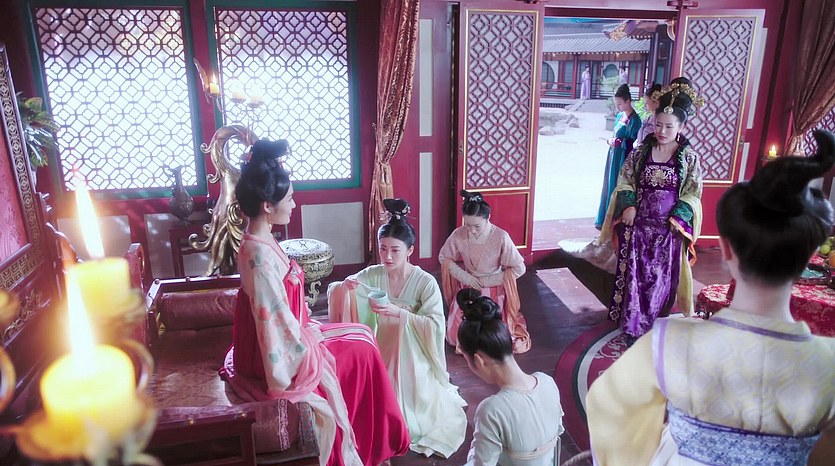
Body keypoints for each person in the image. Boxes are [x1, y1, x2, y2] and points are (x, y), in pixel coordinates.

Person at [586, 129, 835, 466]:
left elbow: (607, 408)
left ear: (726, 248)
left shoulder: (668, 345)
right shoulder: (829, 365)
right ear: (810, 259)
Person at [219, 140, 410, 466]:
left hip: (286, 332)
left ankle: (376, 442)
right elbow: (272, 325)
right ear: (267, 206)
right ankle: (374, 444)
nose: (294, 204)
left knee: (364, 337)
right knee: (362, 352)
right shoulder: (257, 255)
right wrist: (304, 353)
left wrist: (305, 324)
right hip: (274, 353)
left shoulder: (262, 239)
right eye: (289, 199)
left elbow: (281, 311)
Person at [328, 198, 467, 458]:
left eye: (395, 250)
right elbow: (342, 290)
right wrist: (344, 289)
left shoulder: (425, 282)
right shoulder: (373, 274)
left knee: (412, 392)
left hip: (413, 348)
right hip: (381, 342)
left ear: (410, 250)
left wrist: (401, 313)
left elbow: (435, 324)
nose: (388, 256)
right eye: (383, 249)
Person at [599, 86, 703, 340]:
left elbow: (693, 192)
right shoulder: (640, 153)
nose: (662, 131)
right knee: (636, 277)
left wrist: (679, 217)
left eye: (669, 126)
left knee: (660, 280)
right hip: (638, 226)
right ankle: (633, 325)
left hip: (668, 229)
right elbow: (625, 180)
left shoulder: (689, 158)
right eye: (658, 125)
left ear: (681, 127)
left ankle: (655, 325)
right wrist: (629, 205)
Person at [457, 288, 564, 466]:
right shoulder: (547, 382)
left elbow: (481, 464)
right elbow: (558, 431)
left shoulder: (492, 410)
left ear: (479, 360)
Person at [440, 190, 530, 353]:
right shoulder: (459, 234)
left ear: (488, 218)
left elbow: (519, 268)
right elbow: (444, 257)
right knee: (454, 336)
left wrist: (487, 281)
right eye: (468, 225)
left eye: (477, 226)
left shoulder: (500, 236)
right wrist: (465, 277)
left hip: (494, 288)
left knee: (497, 336)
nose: (472, 230)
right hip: (469, 287)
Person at [594, 84, 642, 229]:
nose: (618, 106)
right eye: (616, 103)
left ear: (628, 101)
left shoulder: (635, 120)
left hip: (623, 156)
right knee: (609, 183)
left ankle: (615, 220)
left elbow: (631, 141)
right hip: (613, 154)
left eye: (620, 103)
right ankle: (605, 217)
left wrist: (615, 142)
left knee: (618, 183)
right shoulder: (620, 116)